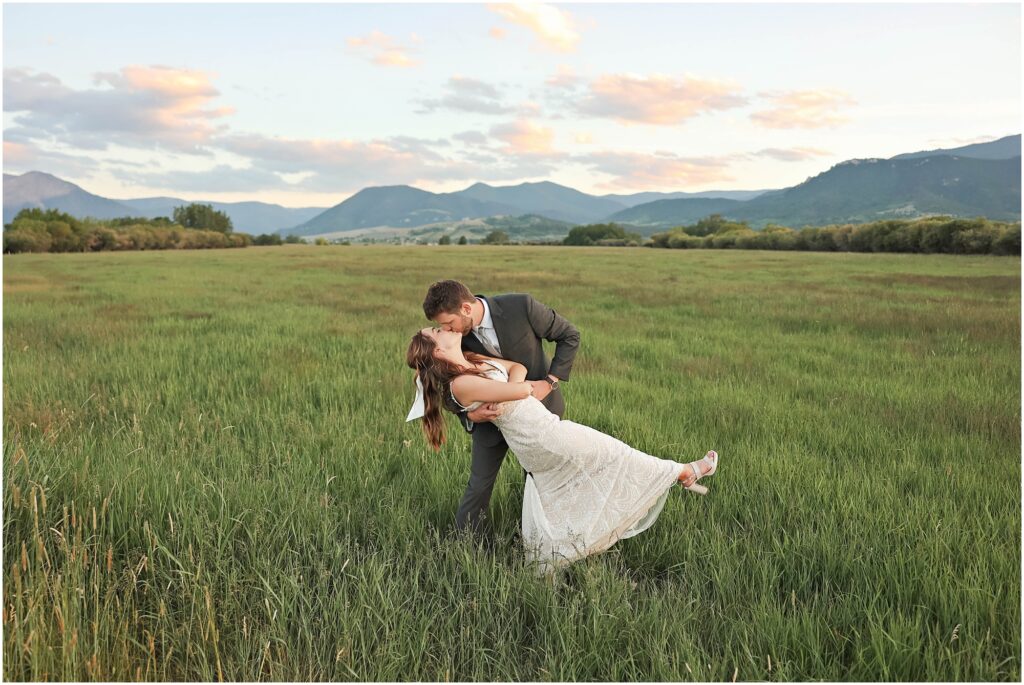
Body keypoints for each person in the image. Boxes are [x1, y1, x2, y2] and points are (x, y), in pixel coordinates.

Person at [405, 326, 719, 575]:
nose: (442, 328)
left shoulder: (473, 361)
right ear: (437, 350)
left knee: (564, 492)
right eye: (436, 331)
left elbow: (517, 368)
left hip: (542, 431)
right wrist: (511, 390)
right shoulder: (461, 383)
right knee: (616, 454)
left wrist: (510, 390)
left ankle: (549, 564)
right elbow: (523, 387)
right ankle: (683, 472)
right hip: (543, 437)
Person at [419, 280, 579, 534]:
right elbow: (446, 388)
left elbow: (570, 335)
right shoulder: (454, 341)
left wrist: (549, 382)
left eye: (448, 323)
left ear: (466, 309)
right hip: (489, 422)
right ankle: (466, 546)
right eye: (442, 327)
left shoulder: (521, 306)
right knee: (479, 485)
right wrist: (469, 414)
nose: (447, 329)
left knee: (540, 480)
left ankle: (544, 539)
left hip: (538, 413)